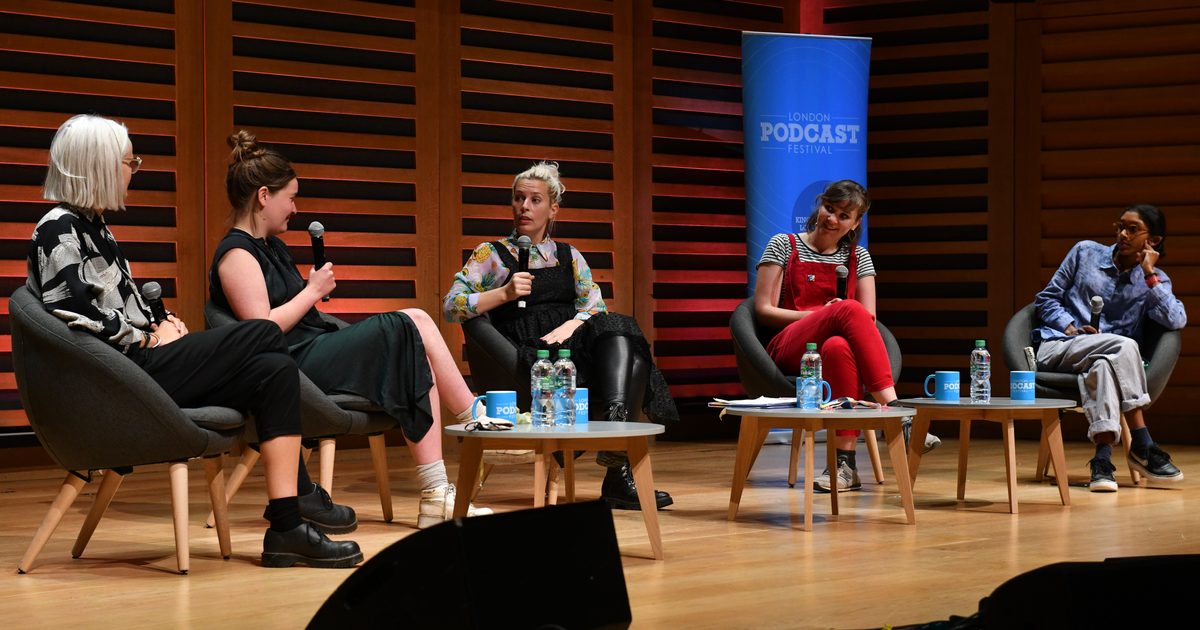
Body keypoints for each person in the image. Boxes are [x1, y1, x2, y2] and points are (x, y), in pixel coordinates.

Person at [29, 114, 361, 568]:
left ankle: (286, 527)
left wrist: (162, 320)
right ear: (99, 166)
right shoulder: (58, 229)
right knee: (263, 332)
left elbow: (118, 303)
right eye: (129, 162)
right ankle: (302, 495)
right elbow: (79, 317)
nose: (134, 170)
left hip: (141, 363)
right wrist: (151, 336)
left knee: (274, 369)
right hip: (125, 374)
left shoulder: (93, 225)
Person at [210, 131, 491, 528]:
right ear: (263, 197)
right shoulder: (237, 254)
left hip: (312, 348)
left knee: (413, 343)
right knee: (409, 322)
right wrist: (311, 292)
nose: (295, 208)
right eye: (290, 198)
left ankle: (438, 490)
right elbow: (262, 331)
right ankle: (477, 425)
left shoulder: (270, 246)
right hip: (289, 368)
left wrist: (309, 294)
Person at [443, 162, 677, 510]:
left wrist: (572, 324)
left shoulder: (570, 255)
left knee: (622, 331)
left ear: (553, 209)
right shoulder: (490, 254)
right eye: (518, 198)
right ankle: (618, 464)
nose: (524, 207)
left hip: (570, 353)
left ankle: (614, 429)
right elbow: (451, 306)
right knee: (635, 361)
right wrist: (503, 293)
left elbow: (596, 307)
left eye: (535, 200)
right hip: (526, 358)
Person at [753, 179, 940, 493]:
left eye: (843, 216)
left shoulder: (859, 257)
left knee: (839, 347)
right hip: (789, 346)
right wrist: (822, 315)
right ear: (819, 206)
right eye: (829, 208)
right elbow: (763, 310)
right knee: (848, 309)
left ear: (854, 224)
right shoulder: (783, 244)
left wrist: (836, 316)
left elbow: (869, 319)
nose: (832, 219)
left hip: (831, 351)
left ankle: (844, 466)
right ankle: (897, 412)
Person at [1032, 204, 1186, 492]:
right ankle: (1143, 443)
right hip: (1060, 345)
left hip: (1109, 360)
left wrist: (1149, 273)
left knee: (1104, 365)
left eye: (1133, 229)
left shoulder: (1154, 280)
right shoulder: (1085, 253)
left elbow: (1176, 319)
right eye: (1120, 227)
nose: (1123, 234)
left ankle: (1102, 462)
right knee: (1125, 346)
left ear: (1153, 240)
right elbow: (1046, 299)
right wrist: (1071, 327)